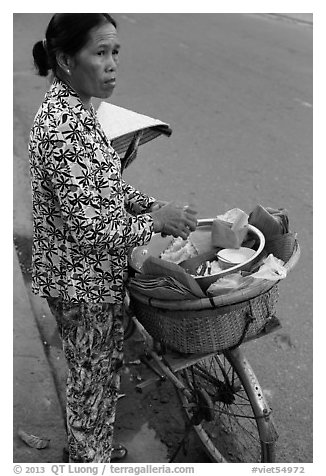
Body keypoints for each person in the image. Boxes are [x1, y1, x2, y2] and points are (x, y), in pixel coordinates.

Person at [29, 13, 197, 463]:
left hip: (87, 276)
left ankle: (94, 445)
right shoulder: (64, 126)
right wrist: (155, 222)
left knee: (99, 370)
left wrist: (151, 205)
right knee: (92, 375)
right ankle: (88, 458)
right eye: (99, 53)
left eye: (115, 52)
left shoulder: (78, 110)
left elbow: (106, 188)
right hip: (79, 282)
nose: (111, 64)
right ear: (65, 59)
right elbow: (93, 226)